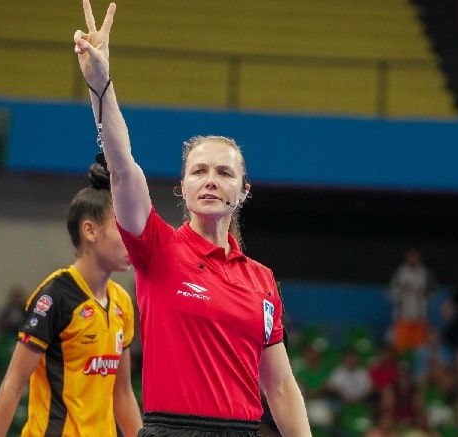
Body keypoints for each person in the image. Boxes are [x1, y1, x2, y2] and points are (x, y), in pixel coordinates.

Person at [73, 2, 311, 435]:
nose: (211, 180)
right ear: (182, 186)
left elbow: (279, 387)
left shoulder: (262, 280)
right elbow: (123, 168)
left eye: (224, 173)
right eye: (199, 171)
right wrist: (100, 85)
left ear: (244, 190)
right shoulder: (157, 247)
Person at [0, 164, 142, 437]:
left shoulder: (122, 303)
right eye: (122, 228)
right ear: (90, 231)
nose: (133, 239)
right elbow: (13, 383)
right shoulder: (55, 296)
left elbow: (123, 393)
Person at [388, 248, 437, 353]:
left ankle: (417, 362)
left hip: (420, 315)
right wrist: (404, 289)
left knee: (419, 346)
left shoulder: (425, 273)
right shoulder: (400, 273)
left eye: (415, 257)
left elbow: (433, 291)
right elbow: (391, 292)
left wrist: (423, 292)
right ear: (407, 258)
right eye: (411, 257)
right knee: (400, 346)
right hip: (403, 315)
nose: (413, 259)